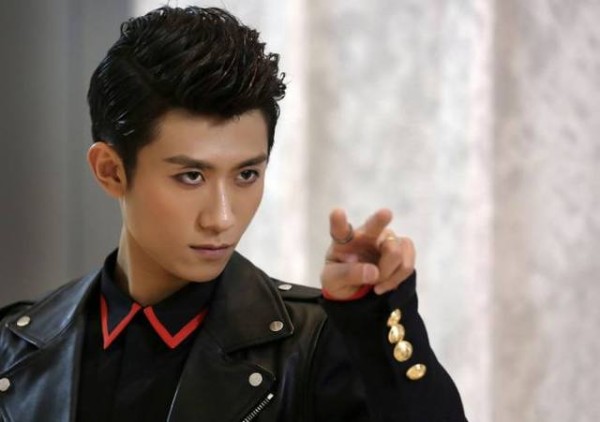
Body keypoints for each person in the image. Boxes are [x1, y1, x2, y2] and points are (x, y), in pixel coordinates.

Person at [0, 6, 466, 422]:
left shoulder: (316, 347)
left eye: (246, 174)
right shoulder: (12, 346)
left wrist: (375, 317)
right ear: (111, 170)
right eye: (191, 176)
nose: (222, 218)